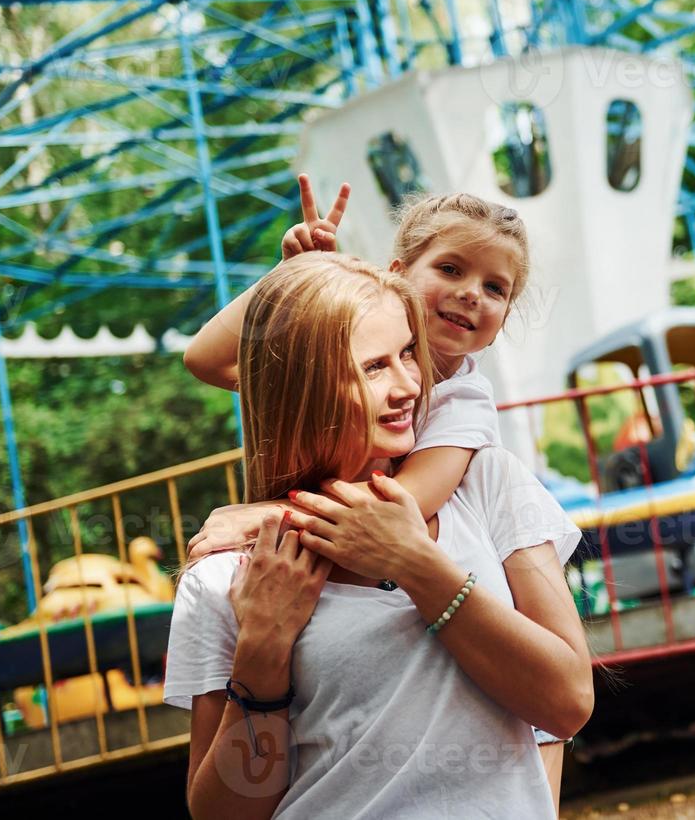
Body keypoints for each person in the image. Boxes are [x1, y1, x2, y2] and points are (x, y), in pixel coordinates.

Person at [181, 179, 576, 794]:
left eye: (495, 288)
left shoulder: (466, 411)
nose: (472, 294)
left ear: (501, 324)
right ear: (397, 274)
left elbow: (400, 511)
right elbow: (208, 359)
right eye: (450, 268)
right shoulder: (222, 578)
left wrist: (271, 517)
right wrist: (295, 276)